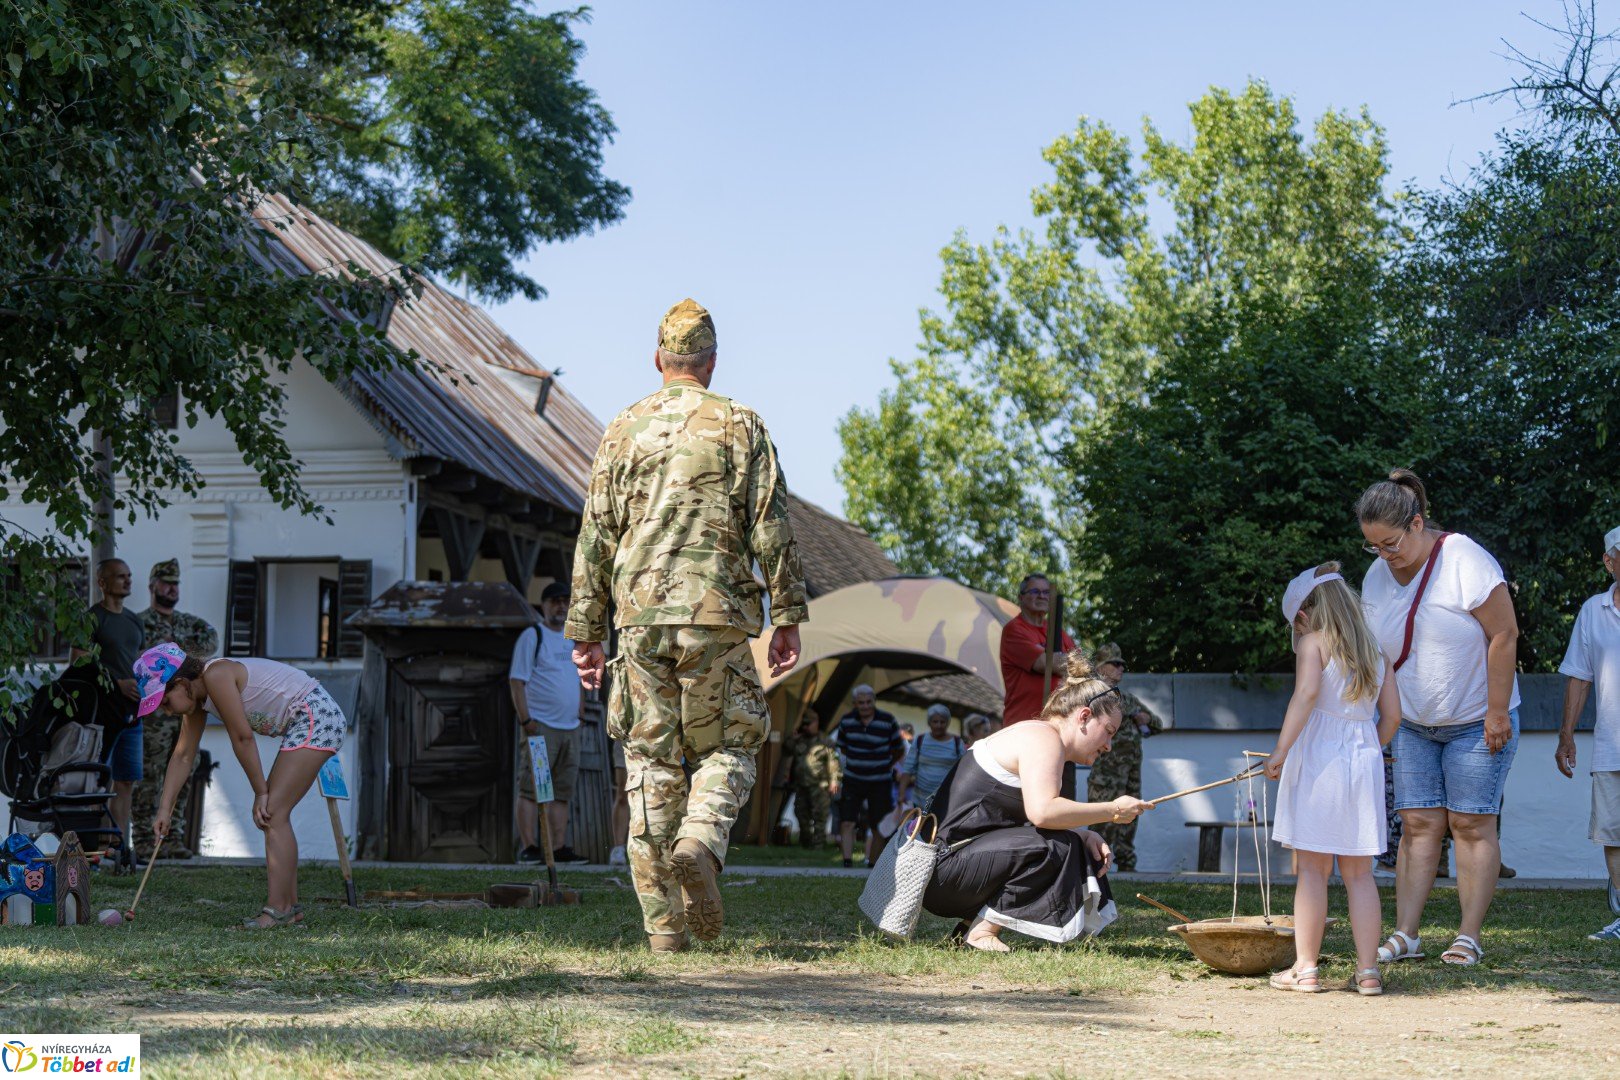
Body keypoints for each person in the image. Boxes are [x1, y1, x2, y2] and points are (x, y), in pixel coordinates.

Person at [567, 298, 806, 952]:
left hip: (640, 618)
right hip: (718, 616)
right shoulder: (742, 425)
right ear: (712, 362)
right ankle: (701, 837)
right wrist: (786, 614)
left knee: (649, 763)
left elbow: (596, 536)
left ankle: (664, 932)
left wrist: (586, 632)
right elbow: (772, 527)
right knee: (730, 742)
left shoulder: (622, 428)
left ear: (659, 361)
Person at [1357, 469, 1520, 968]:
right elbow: (1376, 656)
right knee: (1418, 825)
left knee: (1471, 823)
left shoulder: (1464, 559)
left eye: (1391, 543)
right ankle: (1407, 934)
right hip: (1412, 722)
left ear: (1417, 523)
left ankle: (1468, 936)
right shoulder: (1376, 576)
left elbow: (1505, 634)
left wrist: (1496, 712)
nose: (1385, 555)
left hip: (1476, 717)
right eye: (1373, 547)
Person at [921, 651, 1151, 951]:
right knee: (1060, 845)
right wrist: (1113, 810)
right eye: (1108, 732)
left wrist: (1083, 833)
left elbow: (1024, 820)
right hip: (942, 871)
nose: (1108, 745)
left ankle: (970, 928)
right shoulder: (1044, 738)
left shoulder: (1038, 735)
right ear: (1083, 716)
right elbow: (1042, 814)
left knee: (1070, 840)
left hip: (946, 868)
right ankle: (980, 933)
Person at [1264, 564, 1403, 994]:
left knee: (1312, 870)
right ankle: (1368, 972)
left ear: (1305, 615)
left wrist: (1281, 751)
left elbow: (1306, 696)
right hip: (1363, 761)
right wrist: (1365, 748)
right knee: (1360, 873)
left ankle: (1306, 968)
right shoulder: (1375, 651)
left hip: (1319, 759)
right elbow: (1394, 717)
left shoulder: (1312, 644)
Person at [136, 644, 344, 927]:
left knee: (271, 812)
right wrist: (164, 809)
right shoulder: (197, 702)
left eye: (165, 701)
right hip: (309, 718)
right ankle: (290, 910)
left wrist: (261, 792)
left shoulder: (216, 676)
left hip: (316, 716)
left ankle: (278, 911)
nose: (165, 710)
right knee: (273, 815)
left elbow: (242, 737)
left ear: (182, 683)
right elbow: (183, 755)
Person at [1556, 524, 1620, 941]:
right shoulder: (1592, 611)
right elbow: (1579, 678)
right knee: (1613, 834)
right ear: (1610, 561)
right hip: (1611, 747)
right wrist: (1565, 737)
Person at [131, 558, 218, 860]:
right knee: (149, 775)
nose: (171, 588)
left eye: (175, 583)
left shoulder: (188, 623)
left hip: (184, 709)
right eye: (166, 582)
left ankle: (172, 838)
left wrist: (178, 650)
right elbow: (132, 658)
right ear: (152, 586)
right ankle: (143, 839)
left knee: (185, 768)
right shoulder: (138, 622)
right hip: (154, 717)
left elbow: (211, 641)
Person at [69, 559, 144, 870]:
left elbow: (139, 662)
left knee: (126, 780)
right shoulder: (91, 618)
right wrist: (117, 683)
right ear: (102, 582)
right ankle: (95, 850)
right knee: (99, 781)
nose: (127, 582)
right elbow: (78, 663)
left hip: (133, 714)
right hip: (102, 714)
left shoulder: (134, 620)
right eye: (120, 577)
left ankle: (118, 847)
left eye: (129, 576)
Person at [508, 581, 587, 865]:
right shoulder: (532, 636)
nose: (561, 606)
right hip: (540, 725)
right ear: (543, 606)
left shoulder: (573, 639)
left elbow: (579, 678)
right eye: (555, 601)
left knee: (562, 790)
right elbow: (517, 681)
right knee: (533, 788)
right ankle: (529, 848)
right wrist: (526, 719)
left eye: (566, 601)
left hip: (570, 728)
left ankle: (558, 848)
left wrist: (580, 711)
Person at [1086, 642, 1169, 871]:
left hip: (1131, 771)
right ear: (1101, 667)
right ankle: (1094, 866)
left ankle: (1126, 865)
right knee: (1103, 817)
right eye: (1115, 664)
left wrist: (1144, 719)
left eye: (1122, 664)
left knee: (1131, 815)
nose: (1121, 668)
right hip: (1106, 772)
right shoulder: (1091, 696)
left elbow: (1158, 724)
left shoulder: (1128, 699)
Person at [834, 685, 905, 868]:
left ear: (874, 701)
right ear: (854, 704)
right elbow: (842, 747)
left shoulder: (887, 720)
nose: (865, 706)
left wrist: (886, 765)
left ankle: (873, 864)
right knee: (847, 820)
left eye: (868, 702)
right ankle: (847, 861)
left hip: (880, 780)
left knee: (878, 823)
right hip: (853, 778)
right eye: (861, 703)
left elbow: (899, 749)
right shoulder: (847, 721)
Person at [1000, 574, 1075, 725]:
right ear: (1021, 598)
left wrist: (1062, 663)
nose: (1042, 596)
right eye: (1035, 591)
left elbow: (1081, 665)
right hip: (1023, 724)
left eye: (1047, 592)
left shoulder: (1059, 633)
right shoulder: (1014, 630)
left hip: (1056, 723)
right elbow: (1045, 664)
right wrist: (1065, 663)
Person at [779, 710, 840, 848]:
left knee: (820, 815)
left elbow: (834, 763)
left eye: (809, 724)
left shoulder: (825, 741)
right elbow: (786, 749)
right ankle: (806, 843)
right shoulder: (799, 740)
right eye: (804, 724)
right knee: (800, 813)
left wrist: (834, 781)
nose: (806, 727)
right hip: (801, 785)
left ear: (816, 723)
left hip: (820, 785)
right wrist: (793, 737)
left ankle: (818, 845)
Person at [897, 704, 966, 810]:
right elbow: (908, 770)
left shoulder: (957, 743)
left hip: (947, 801)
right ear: (929, 722)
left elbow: (964, 771)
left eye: (942, 722)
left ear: (947, 723)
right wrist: (901, 794)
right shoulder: (920, 741)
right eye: (935, 722)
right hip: (921, 801)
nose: (938, 725)